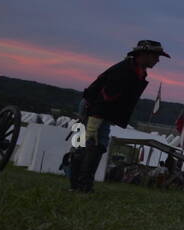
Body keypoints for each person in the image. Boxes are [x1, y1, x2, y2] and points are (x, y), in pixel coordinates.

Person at [71, 40, 170, 192]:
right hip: (96, 108)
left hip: (102, 109)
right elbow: (106, 96)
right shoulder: (125, 71)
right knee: (92, 145)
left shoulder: (136, 70)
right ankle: (81, 186)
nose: (157, 60)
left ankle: (82, 185)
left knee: (97, 145)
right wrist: (93, 122)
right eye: (156, 56)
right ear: (144, 54)